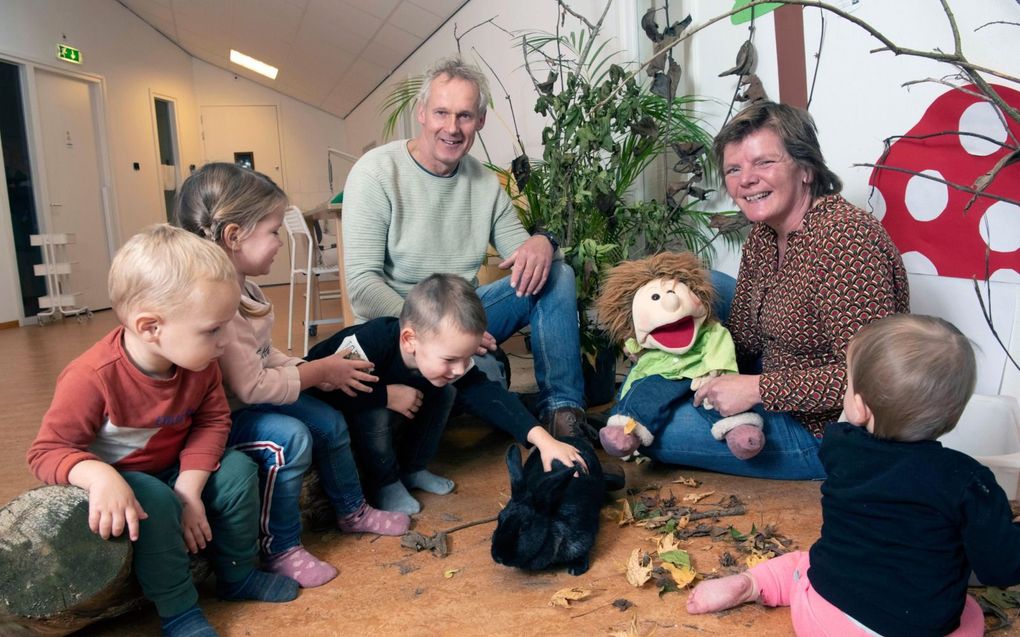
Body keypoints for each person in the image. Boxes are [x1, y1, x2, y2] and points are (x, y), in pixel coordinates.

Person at [26, 225, 299, 637]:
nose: (227, 340)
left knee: (238, 470)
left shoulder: (201, 364)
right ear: (151, 327)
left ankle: (238, 575)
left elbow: (212, 422)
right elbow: (46, 452)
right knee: (153, 498)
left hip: (176, 470)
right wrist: (99, 476)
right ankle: (179, 611)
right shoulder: (90, 377)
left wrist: (189, 491)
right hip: (124, 484)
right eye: (213, 329)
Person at [687, 314, 1020, 637]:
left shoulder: (839, 447)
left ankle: (755, 583)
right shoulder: (968, 480)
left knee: (803, 561)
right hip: (913, 626)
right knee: (969, 613)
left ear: (859, 407)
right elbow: (1000, 568)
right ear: (955, 414)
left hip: (819, 616)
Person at [640, 101, 909, 479]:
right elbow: (746, 342)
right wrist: (675, 351)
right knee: (699, 291)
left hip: (825, 431)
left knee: (655, 433)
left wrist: (757, 389)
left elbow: (873, 382)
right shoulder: (765, 235)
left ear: (805, 169)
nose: (745, 179)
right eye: (734, 169)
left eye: (764, 163)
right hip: (779, 374)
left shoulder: (847, 239)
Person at [174, 163, 410, 589]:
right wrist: (318, 371)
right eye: (272, 231)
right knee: (291, 438)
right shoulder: (217, 302)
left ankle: (352, 509)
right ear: (233, 236)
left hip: (250, 399)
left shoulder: (244, 285)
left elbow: (265, 354)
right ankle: (279, 548)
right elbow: (250, 386)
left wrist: (307, 370)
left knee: (328, 420)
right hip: (223, 417)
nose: (279, 243)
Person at [342, 56, 590, 439]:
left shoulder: (485, 183)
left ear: (481, 120)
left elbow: (525, 257)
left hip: (464, 310)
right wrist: (439, 332)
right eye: (441, 112)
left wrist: (545, 241)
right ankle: (465, 386)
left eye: (464, 116)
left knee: (556, 273)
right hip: (399, 327)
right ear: (421, 113)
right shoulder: (375, 172)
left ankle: (562, 414)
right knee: (486, 375)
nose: (452, 128)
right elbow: (362, 287)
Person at [307, 274, 590, 514]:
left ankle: (413, 468)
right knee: (375, 414)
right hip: (337, 397)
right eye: (451, 359)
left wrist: (543, 439)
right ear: (409, 340)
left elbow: (488, 394)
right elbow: (329, 392)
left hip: (393, 391)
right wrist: (386, 395)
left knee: (446, 391)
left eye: (465, 359)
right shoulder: (369, 344)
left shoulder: (440, 356)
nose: (459, 368)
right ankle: (385, 483)